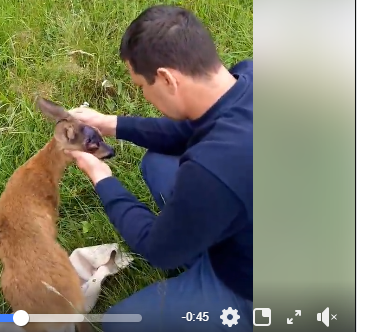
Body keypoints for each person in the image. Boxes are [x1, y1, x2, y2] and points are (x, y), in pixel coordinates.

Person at [66, 5, 253, 332]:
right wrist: (109, 124)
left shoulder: (212, 169)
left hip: (250, 282)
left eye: (141, 86)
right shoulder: (249, 77)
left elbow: (158, 248)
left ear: (166, 78)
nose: (144, 95)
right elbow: (193, 131)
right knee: (157, 163)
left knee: (117, 323)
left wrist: (103, 179)